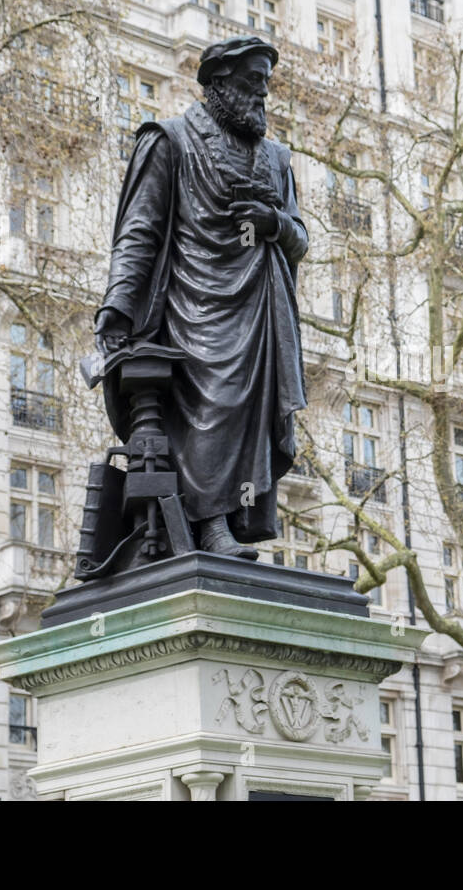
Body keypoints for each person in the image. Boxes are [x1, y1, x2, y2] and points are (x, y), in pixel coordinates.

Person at [93, 36, 308, 559]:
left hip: (260, 310)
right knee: (212, 408)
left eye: (265, 84)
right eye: (251, 83)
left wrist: (273, 222)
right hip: (195, 307)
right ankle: (207, 524)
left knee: (251, 418)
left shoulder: (277, 159)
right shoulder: (169, 141)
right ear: (218, 85)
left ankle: (232, 520)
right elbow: (139, 232)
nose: (262, 95)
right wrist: (117, 307)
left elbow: (300, 239)